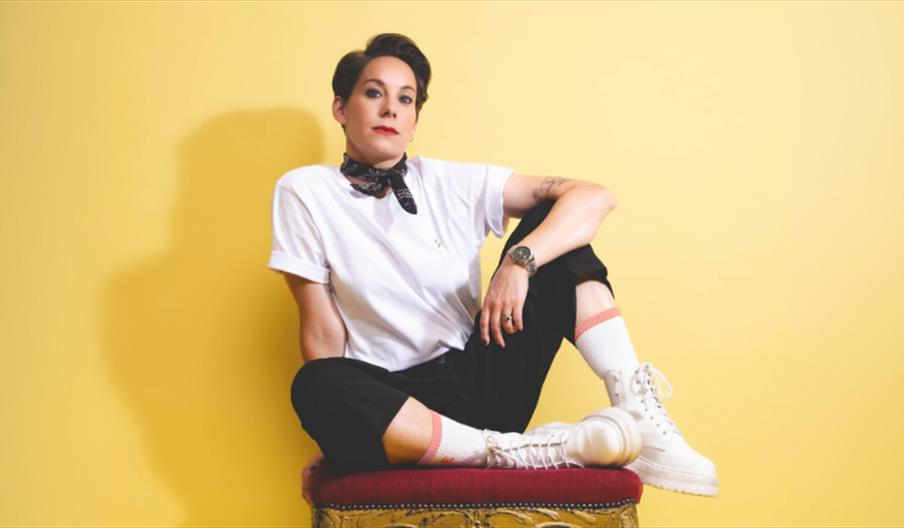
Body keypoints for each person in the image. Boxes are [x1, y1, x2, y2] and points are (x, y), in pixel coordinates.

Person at [268, 33, 718, 500]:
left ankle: (640, 415)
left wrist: (519, 264)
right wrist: (342, 429)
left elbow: (594, 197)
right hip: (394, 401)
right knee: (315, 383)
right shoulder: (304, 191)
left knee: (553, 225)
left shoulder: (450, 181)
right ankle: (513, 451)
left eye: (406, 99)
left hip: (480, 380)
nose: (391, 110)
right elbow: (322, 335)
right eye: (374, 93)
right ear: (341, 108)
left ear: (415, 120)